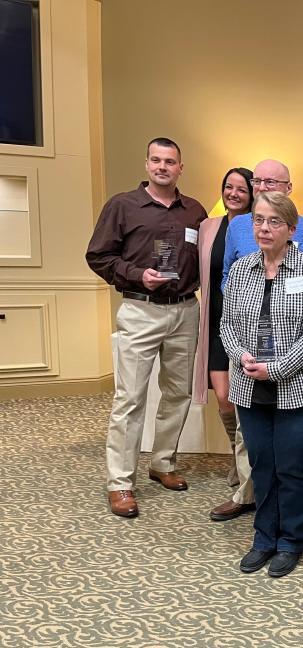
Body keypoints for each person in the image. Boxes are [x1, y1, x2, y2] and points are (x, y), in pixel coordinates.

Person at [86, 137, 206, 518]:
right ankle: (120, 482)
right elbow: (98, 256)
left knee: (178, 394)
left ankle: (163, 463)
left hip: (186, 310)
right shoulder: (122, 206)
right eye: (156, 160)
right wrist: (138, 274)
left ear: (180, 168)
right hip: (141, 310)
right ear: (147, 163)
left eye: (170, 161)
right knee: (130, 398)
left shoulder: (195, 212)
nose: (162, 167)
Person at [211, 157, 303, 519]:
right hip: (250, 359)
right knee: (256, 448)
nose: (263, 187)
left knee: (293, 453)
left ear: (289, 189)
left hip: (293, 362)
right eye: (259, 181)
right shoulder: (238, 229)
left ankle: (297, 507)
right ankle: (252, 499)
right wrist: (243, 348)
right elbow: (225, 290)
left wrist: (281, 361)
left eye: (273, 182)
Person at [190, 167, 257, 521]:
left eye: (241, 188)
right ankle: (239, 461)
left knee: (242, 400)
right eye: (228, 187)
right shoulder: (208, 227)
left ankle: (248, 479)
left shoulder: (256, 226)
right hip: (214, 321)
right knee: (223, 398)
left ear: (252, 193)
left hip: (243, 325)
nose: (233, 193)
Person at [221, 158, 303, 302]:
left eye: (270, 182)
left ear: (289, 188)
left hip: (293, 321)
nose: (261, 187)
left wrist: (287, 309)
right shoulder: (237, 226)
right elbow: (227, 277)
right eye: (256, 181)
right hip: (248, 319)